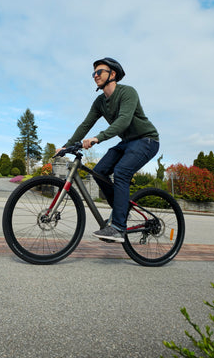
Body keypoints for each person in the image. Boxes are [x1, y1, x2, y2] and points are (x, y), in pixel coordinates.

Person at [59, 57, 159, 243]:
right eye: (93, 73)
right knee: (99, 172)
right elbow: (86, 124)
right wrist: (67, 145)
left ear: (112, 74)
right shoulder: (100, 102)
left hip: (147, 140)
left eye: (99, 72)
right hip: (127, 142)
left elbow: (123, 121)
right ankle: (121, 213)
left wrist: (98, 138)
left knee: (121, 172)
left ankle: (119, 227)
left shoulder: (128, 92)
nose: (95, 76)